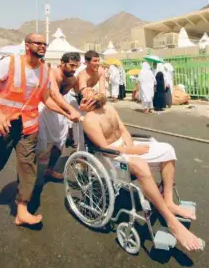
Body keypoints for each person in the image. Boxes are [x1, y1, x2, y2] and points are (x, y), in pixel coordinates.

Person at [82, 91, 204, 251]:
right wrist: (132, 151)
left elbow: (123, 129)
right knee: (140, 165)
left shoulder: (109, 108)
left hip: (127, 148)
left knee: (168, 149)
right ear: (85, 100)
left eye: (95, 89)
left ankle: (169, 201)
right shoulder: (89, 120)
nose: (96, 91)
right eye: (90, 92)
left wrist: (131, 146)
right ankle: (171, 221)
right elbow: (105, 149)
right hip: (110, 158)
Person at [0, 33, 70, 226]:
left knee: (28, 165)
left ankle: (22, 209)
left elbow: (46, 98)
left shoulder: (45, 70)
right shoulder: (10, 63)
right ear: (27, 46)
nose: (43, 46)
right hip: (3, 121)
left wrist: (66, 112)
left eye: (45, 44)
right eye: (38, 43)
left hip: (28, 125)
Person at [37, 52, 95, 180]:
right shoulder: (52, 72)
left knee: (60, 143)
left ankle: (50, 170)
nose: (74, 69)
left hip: (60, 112)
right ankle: (30, 175)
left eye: (76, 66)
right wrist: (70, 110)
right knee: (40, 145)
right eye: (71, 65)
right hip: (44, 107)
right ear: (62, 63)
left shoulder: (72, 78)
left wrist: (89, 94)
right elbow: (54, 93)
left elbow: (80, 90)